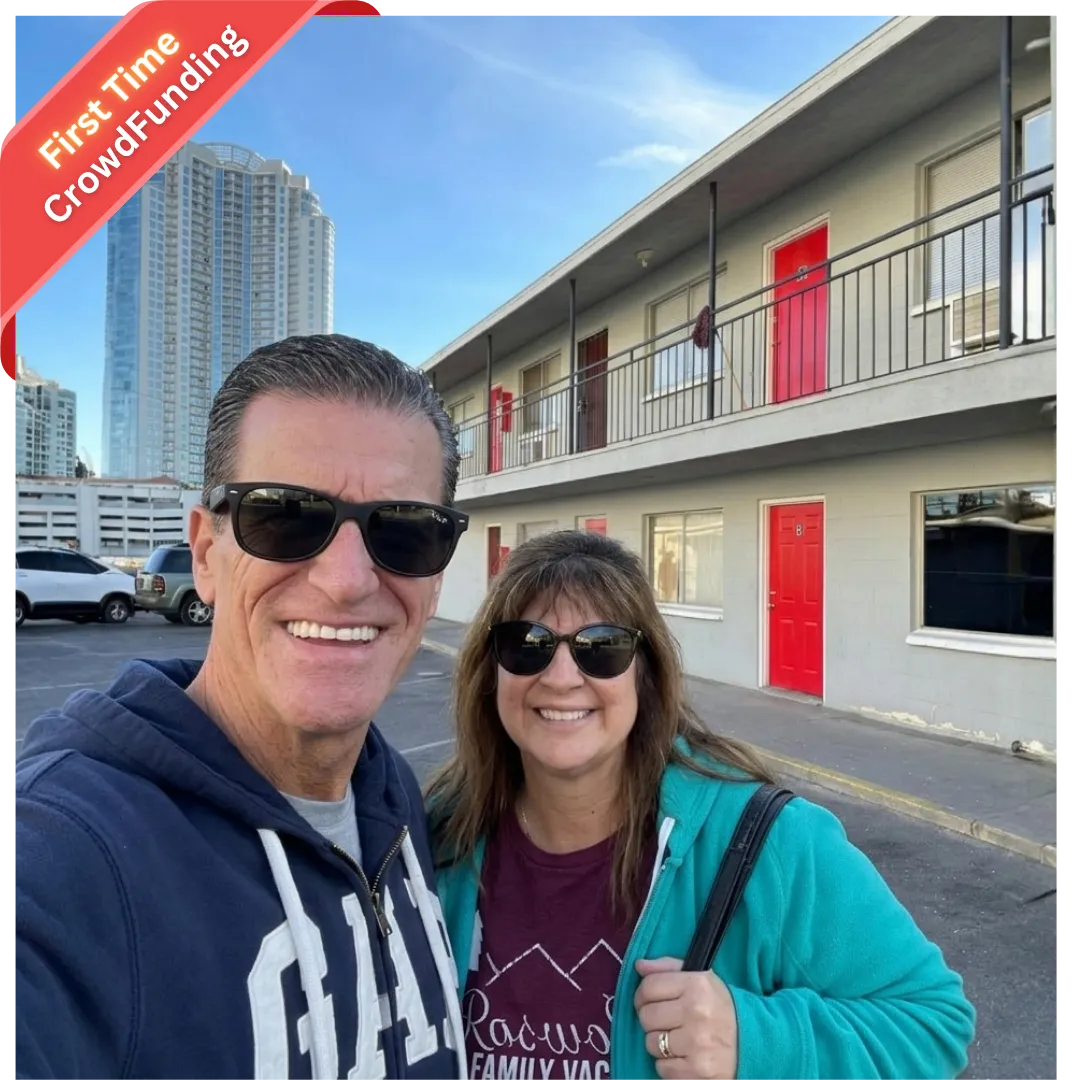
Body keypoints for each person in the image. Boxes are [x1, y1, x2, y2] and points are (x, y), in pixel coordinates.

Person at [14, 336, 472, 1080]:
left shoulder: (390, 794)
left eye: (405, 530)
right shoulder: (72, 852)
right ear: (205, 554)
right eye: (286, 516)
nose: (348, 580)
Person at [428, 529, 977, 1080]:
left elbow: (933, 1023)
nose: (562, 678)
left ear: (645, 674)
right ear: (490, 671)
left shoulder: (766, 842)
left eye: (602, 647)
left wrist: (754, 1039)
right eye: (528, 644)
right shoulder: (433, 838)